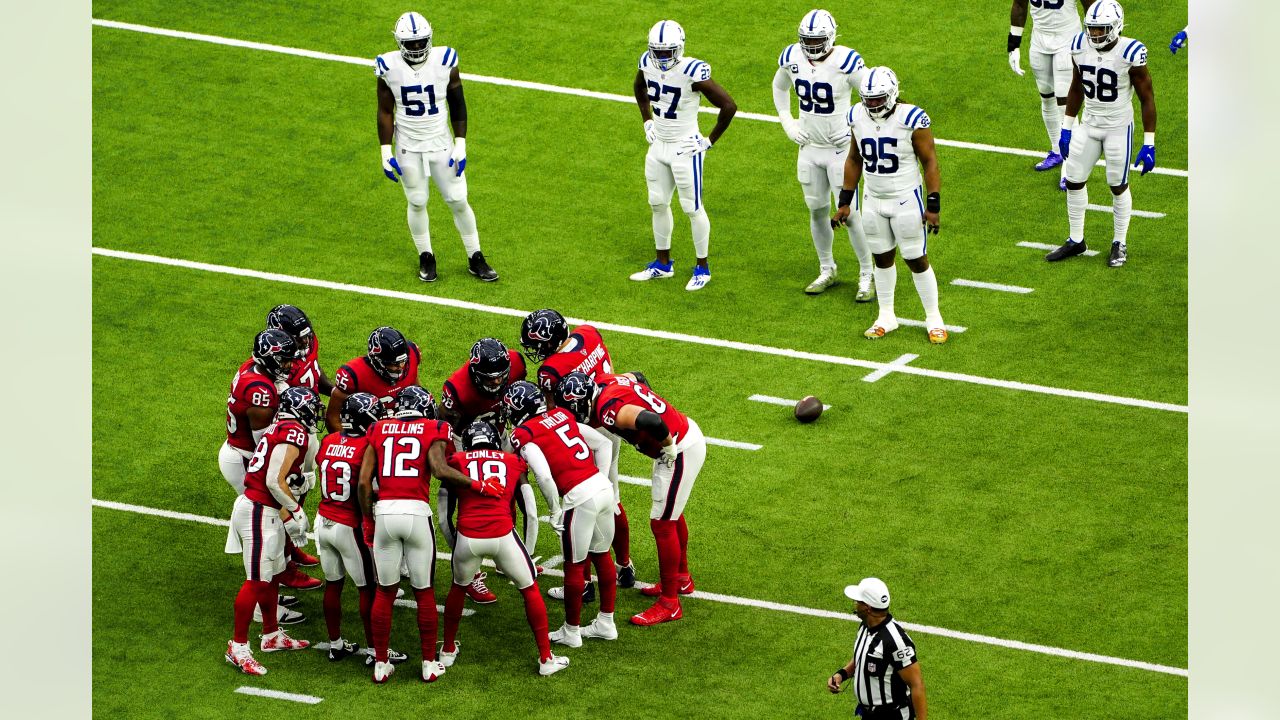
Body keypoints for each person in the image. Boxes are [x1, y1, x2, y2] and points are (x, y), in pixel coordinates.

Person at [358, 385, 498, 684]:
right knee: (424, 591)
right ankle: (428, 664)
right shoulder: (435, 427)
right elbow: (438, 469)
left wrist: (369, 516)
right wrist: (478, 485)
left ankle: (381, 664)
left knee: (384, 591)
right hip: (416, 514)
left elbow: (363, 483)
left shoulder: (378, 428)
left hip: (385, 512)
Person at [555, 372, 706, 626]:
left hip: (679, 449)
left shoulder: (606, 409)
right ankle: (681, 578)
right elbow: (638, 376)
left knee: (662, 523)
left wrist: (668, 447)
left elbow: (651, 419)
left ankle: (670, 603)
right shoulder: (603, 382)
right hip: (683, 438)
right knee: (670, 515)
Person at [439, 421, 570, 676]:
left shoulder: (456, 461)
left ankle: (447, 650)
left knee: (458, 587)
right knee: (530, 589)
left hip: (468, 536)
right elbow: (530, 508)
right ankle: (545, 658)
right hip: (503, 536)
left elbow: (444, 514)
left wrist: (456, 544)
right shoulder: (511, 461)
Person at [375, 11, 498, 283]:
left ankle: (475, 256)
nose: (418, 47)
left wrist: (461, 143)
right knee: (417, 201)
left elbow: (457, 101)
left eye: (422, 41)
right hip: (408, 145)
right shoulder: (388, 66)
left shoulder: (445, 61)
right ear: (400, 43)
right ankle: (426, 255)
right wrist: (385, 151)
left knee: (457, 199)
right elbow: (385, 110)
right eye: (412, 43)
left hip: (441, 143)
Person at [520, 308, 636, 589]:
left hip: (585, 432)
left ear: (549, 341)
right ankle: (624, 563)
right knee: (612, 496)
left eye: (537, 344)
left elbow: (551, 414)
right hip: (611, 417)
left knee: (578, 504)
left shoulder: (550, 371)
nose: (535, 350)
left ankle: (582, 582)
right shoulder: (588, 332)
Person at [832, 67, 947, 345]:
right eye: (868, 99)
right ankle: (886, 316)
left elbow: (929, 161)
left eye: (877, 98)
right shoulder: (856, 116)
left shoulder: (912, 119)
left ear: (892, 94)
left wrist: (933, 204)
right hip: (873, 198)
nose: (872, 104)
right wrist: (845, 201)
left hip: (906, 198)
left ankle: (934, 318)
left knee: (915, 259)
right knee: (881, 258)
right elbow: (854, 159)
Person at [504, 381, 620, 647]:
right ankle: (606, 622)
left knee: (574, 565)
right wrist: (600, 481)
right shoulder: (563, 415)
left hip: (579, 498)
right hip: (601, 489)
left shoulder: (525, 433)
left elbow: (543, 474)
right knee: (602, 556)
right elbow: (603, 443)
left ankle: (571, 631)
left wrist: (555, 509)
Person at [772, 9, 875, 299]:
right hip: (809, 148)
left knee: (851, 213)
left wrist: (855, 130)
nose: (811, 45)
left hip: (840, 151)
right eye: (807, 39)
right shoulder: (792, 56)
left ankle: (867, 273)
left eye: (817, 40)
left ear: (831, 38)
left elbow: (870, 97)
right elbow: (778, 87)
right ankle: (827, 267)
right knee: (816, 209)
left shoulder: (847, 60)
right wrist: (788, 122)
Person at [1045, 0, 1156, 268]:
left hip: (1118, 127)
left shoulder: (1130, 52)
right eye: (1092, 29)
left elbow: (1147, 98)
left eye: (1101, 29)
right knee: (1073, 180)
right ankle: (1076, 240)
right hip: (1090, 125)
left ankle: (1120, 242)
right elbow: (1076, 87)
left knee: (1117, 185)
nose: (1095, 34)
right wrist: (1067, 127)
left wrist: (1149, 142)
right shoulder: (1079, 46)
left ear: (1116, 27)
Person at [630, 19, 737, 291]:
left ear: (679, 48)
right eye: (658, 51)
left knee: (692, 207)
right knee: (657, 203)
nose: (662, 57)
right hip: (659, 145)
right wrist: (647, 120)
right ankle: (663, 264)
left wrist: (708, 141)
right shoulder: (646, 61)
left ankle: (702, 267)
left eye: (668, 52)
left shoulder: (692, 70)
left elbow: (728, 106)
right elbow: (638, 87)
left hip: (685, 147)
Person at [223, 386, 321, 675]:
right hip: (257, 510)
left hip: (264, 510)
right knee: (255, 580)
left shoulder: (282, 427)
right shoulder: (294, 432)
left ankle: (271, 634)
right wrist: (296, 509)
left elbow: (279, 476)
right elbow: (273, 481)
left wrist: (296, 486)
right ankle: (238, 647)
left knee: (274, 572)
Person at [219, 328, 321, 594]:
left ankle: (285, 561)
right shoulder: (260, 392)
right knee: (270, 525)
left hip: (246, 451)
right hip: (246, 457)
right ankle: (273, 585)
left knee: (277, 518)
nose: (289, 365)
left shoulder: (255, 369)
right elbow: (267, 442)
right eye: (284, 360)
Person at [437, 337, 533, 604]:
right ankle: (471, 573)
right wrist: (454, 464)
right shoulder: (457, 389)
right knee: (468, 500)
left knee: (508, 490)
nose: (495, 383)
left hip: (500, 432)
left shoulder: (515, 363)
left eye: (500, 377)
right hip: (464, 441)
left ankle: (508, 554)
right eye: (488, 378)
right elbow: (445, 428)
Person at [315, 392, 407, 667]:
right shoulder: (367, 446)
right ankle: (374, 650)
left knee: (333, 584)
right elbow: (371, 487)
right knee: (368, 588)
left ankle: (335, 645)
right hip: (349, 525)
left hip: (324, 522)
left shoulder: (329, 440)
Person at [1007, 0, 1096, 186]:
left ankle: (1071, 164)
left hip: (1067, 38)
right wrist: (1013, 45)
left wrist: (1091, 44)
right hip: (1040, 39)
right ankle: (1057, 150)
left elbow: (1092, 7)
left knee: (1066, 103)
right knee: (1046, 96)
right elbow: (1019, 6)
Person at [827, 578, 927, 720]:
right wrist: (841, 675)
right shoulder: (865, 627)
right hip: (868, 715)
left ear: (867, 608)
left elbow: (917, 685)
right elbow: (861, 659)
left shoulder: (896, 641)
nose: (855, 604)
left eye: (858, 601)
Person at [326, 326, 421, 432]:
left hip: (403, 430)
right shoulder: (354, 375)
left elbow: (416, 394)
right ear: (376, 360)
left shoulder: (413, 354)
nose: (401, 366)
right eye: (393, 364)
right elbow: (333, 418)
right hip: (369, 435)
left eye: (403, 361)